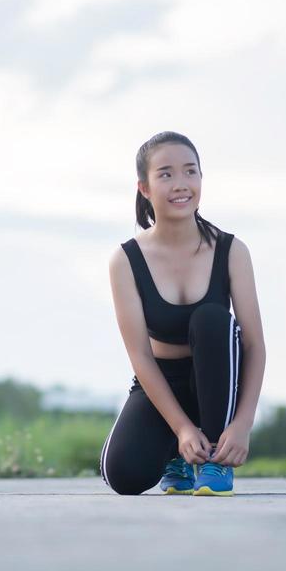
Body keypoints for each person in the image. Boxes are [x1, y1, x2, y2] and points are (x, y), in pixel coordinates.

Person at [99, 132, 266, 496]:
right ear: (144, 187)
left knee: (211, 320)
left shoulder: (232, 250)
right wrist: (181, 429)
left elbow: (253, 346)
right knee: (122, 476)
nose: (181, 184)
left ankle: (214, 462)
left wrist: (242, 424)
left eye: (191, 172)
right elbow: (140, 356)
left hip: (219, 380)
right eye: (166, 174)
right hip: (162, 382)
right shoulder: (126, 259)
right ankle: (178, 456)